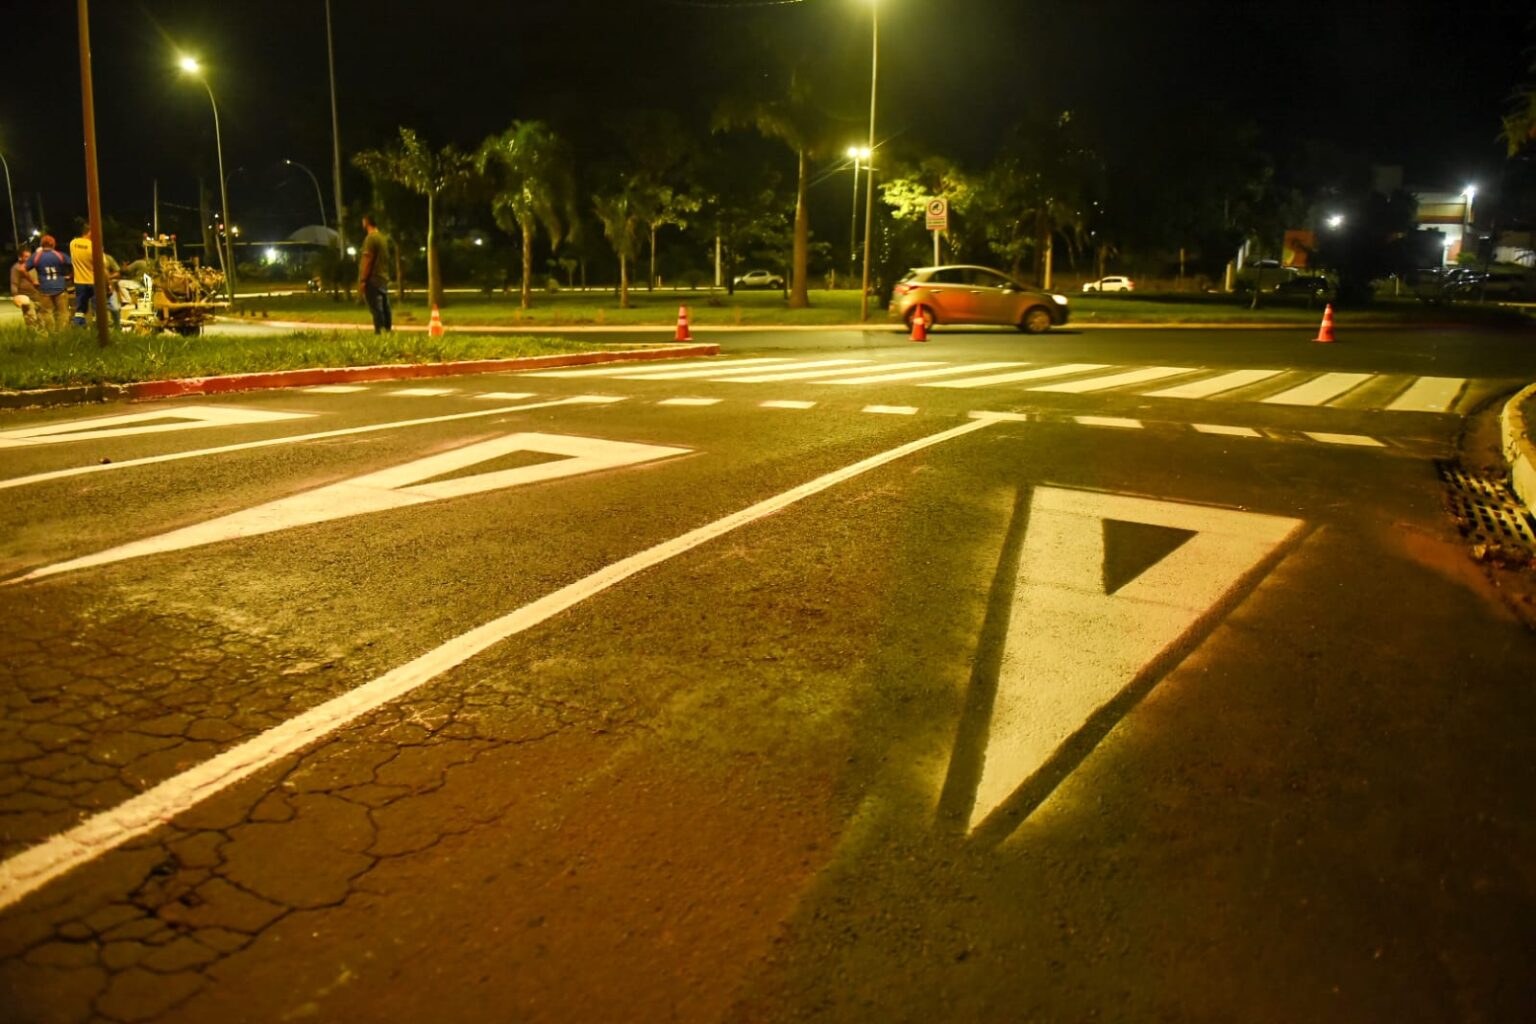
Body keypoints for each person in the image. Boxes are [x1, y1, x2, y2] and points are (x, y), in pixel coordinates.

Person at [25, 235, 72, 331]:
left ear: (41, 244)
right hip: (60, 287)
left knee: (46, 312)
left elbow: (23, 268)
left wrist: (33, 280)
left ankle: (51, 333)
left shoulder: (37, 256)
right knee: (63, 312)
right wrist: (71, 276)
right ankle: (62, 333)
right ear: (53, 244)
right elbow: (73, 264)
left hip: (44, 288)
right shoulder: (59, 255)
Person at [357, 213, 392, 333]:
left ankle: (380, 332)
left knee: (376, 308)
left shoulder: (370, 238)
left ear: (366, 222)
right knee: (385, 306)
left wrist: (362, 279)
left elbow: (368, 258)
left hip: (373, 278)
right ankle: (387, 330)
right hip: (383, 277)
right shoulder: (382, 238)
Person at [69, 224, 97, 328]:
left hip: (79, 281)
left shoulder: (73, 243)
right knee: (96, 307)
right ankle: (96, 328)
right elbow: (101, 263)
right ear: (90, 232)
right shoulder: (93, 245)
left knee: (80, 308)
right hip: (93, 281)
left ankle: (79, 327)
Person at [10, 248, 44, 330]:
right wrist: (15, 295)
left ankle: (43, 337)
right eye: (26, 256)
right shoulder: (16, 267)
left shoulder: (34, 266)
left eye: (29, 256)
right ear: (20, 257)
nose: (28, 258)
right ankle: (32, 336)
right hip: (26, 297)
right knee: (30, 318)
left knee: (42, 318)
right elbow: (14, 283)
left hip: (38, 295)